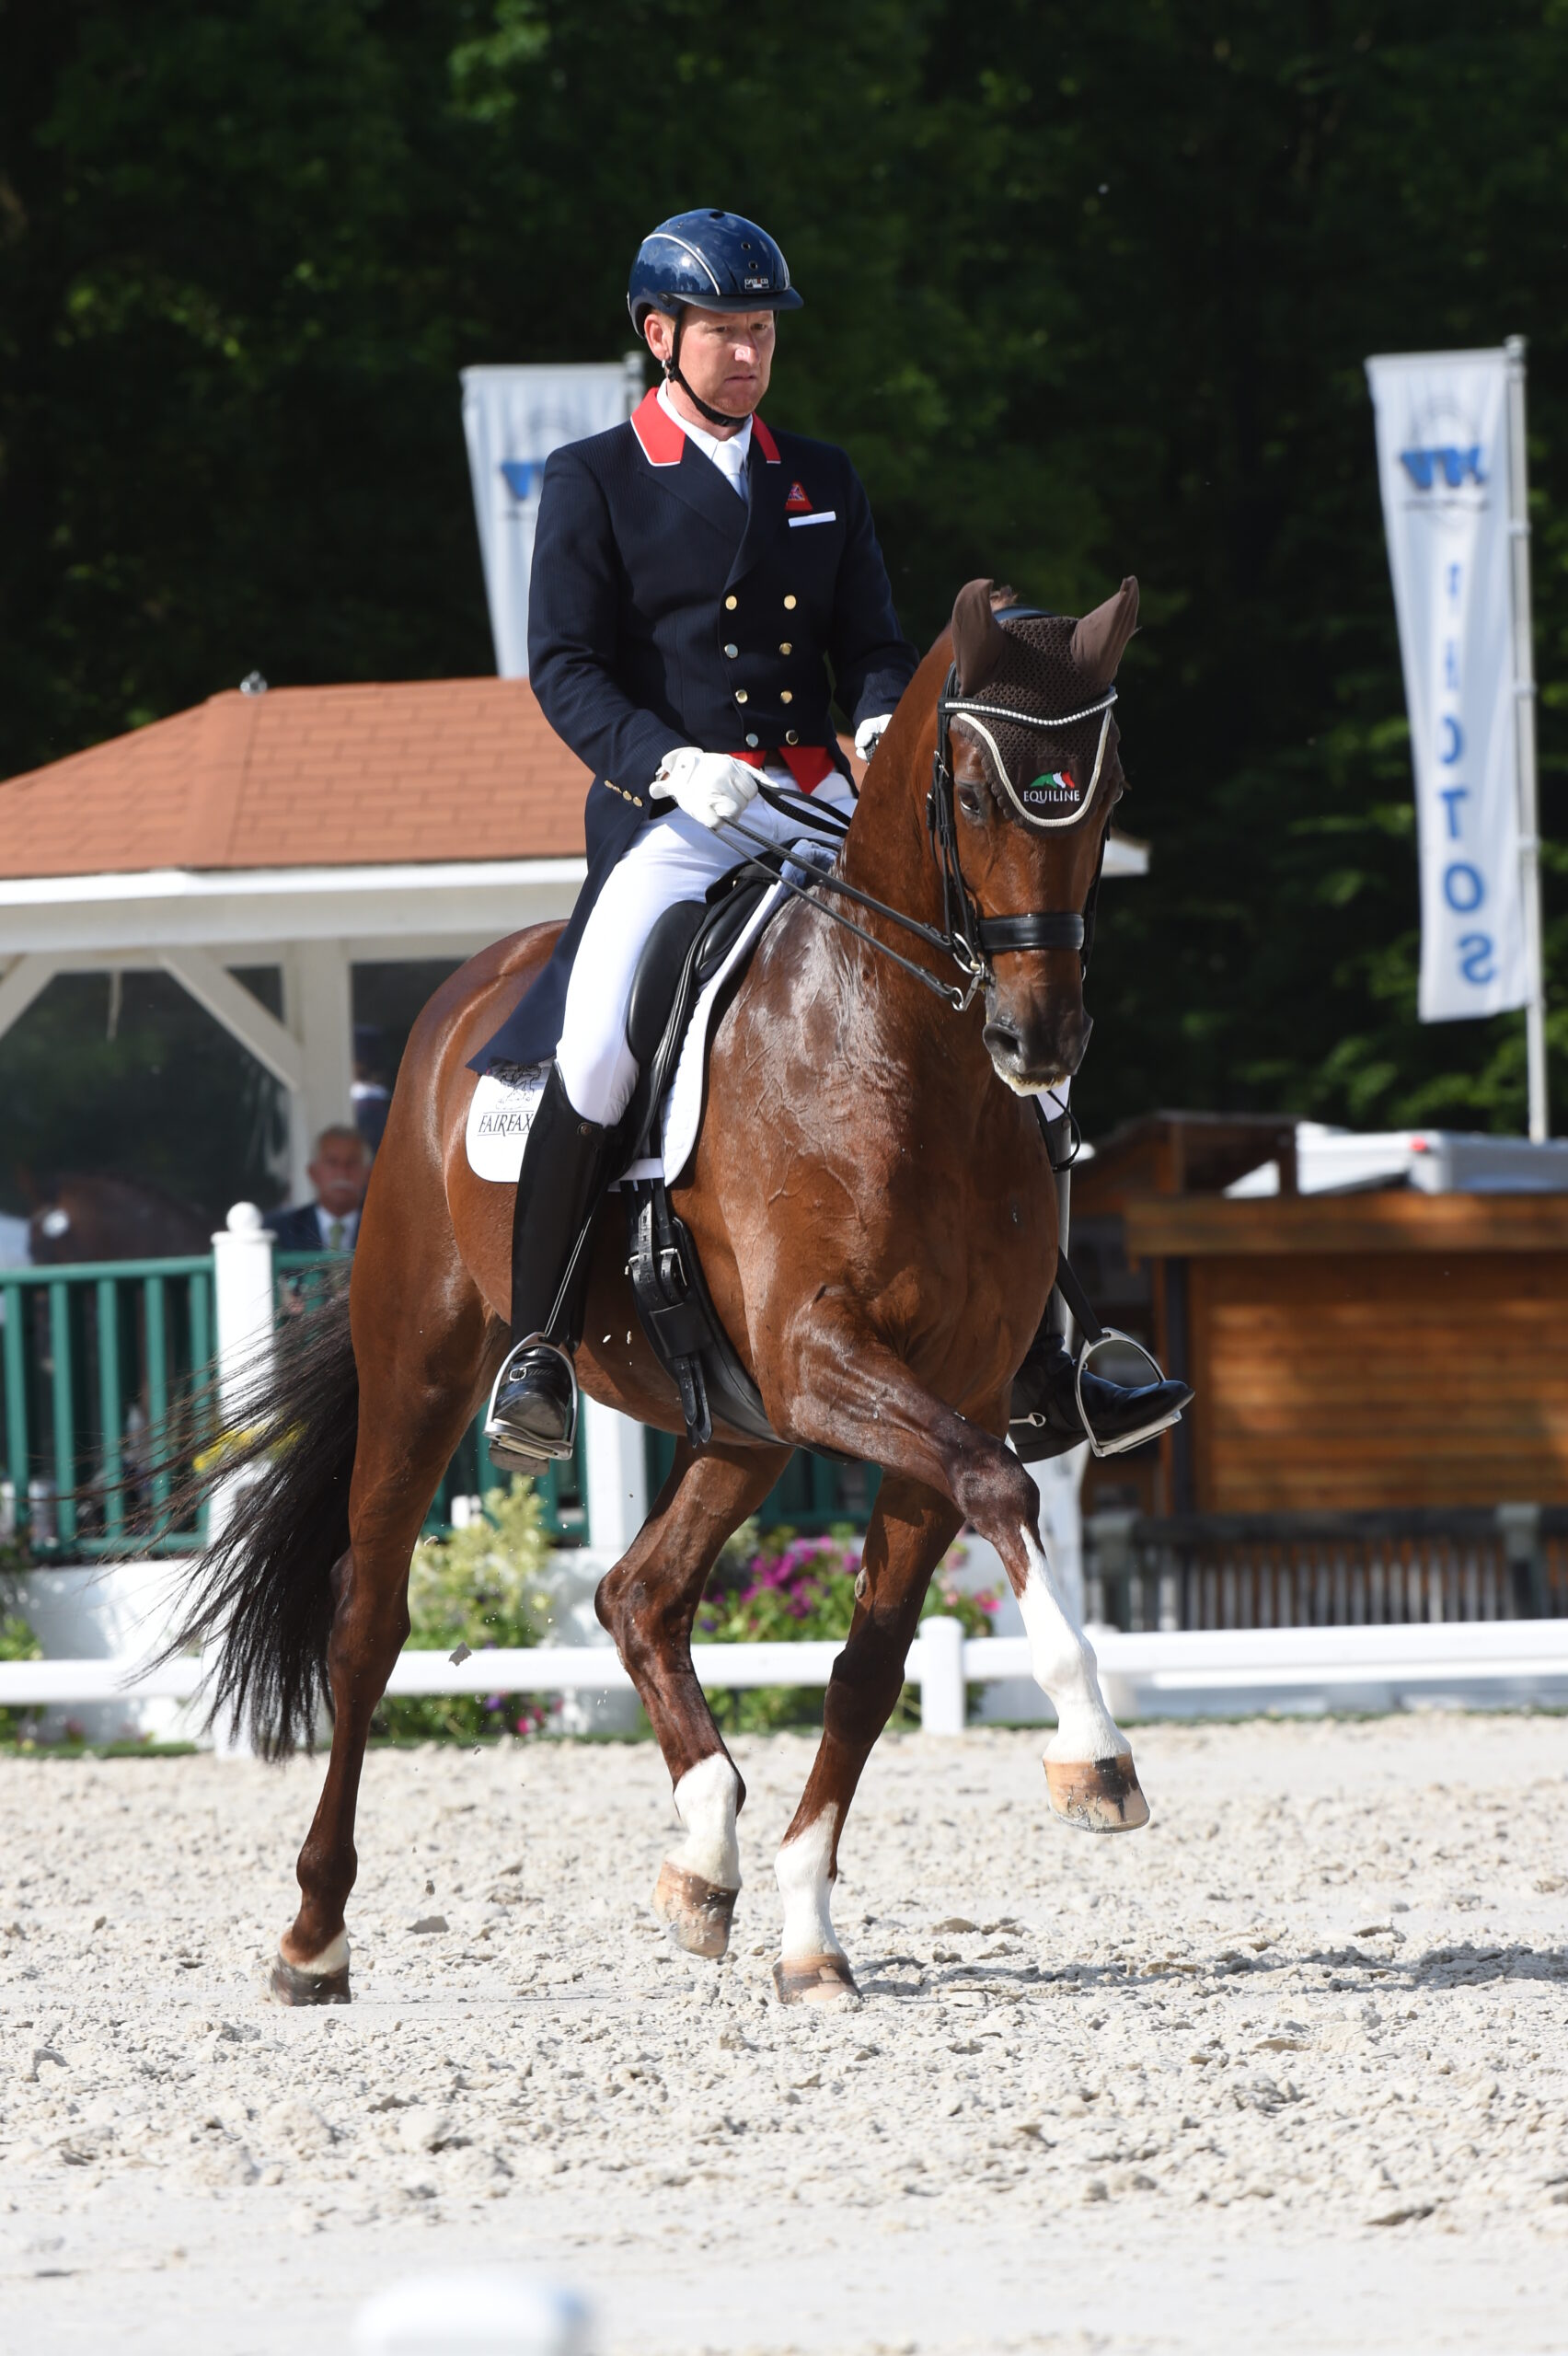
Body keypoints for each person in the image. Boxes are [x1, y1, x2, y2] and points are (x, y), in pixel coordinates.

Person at [482, 207, 1184, 1472]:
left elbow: (871, 640)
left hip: (819, 802)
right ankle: (536, 1348)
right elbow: (566, 666)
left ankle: (1055, 1346)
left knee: (1023, 1036)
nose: (749, 355)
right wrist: (664, 762)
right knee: (593, 1047)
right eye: (725, 334)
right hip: (678, 817)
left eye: (760, 333)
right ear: (661, 336)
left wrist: (872, 717)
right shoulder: (594, 478)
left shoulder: (823, 477)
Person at [270, 1125, 369, 1253]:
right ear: (313, 1172)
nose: (343, 1172)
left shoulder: (387, 1230)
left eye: (352, 1162)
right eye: (332, 1162)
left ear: (369, 1174)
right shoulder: (280, 1230)